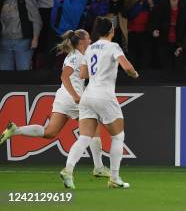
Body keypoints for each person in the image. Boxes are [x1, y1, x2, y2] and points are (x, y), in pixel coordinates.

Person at [0, 29, 111, 178]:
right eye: (89, 39)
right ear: (81, 41)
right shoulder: (76, 57)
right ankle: (98, 167)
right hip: (73, 99)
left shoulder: (78, 56)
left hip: (63, 98)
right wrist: (76, 96)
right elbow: (64, 76)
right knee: (94, 127)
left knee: (50, 132)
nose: (90, 41)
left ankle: (16, 130)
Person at [60, 17, 139, 189]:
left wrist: (98, 71)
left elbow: (82, 74)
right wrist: (134, 74)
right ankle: (115, 178)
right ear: (112, 31)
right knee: (118, 136)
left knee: (84, 137)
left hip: (87, 96)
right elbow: (127, 67)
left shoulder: (89, 49)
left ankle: (68, 169)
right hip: (104, 95)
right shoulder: (113, 46)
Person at [0, 0, 42, 70]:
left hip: (22, 42)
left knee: (24, 74)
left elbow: (36, 20)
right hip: (4, 44)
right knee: (6, 76)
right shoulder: (1, 1)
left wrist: (35, 38)